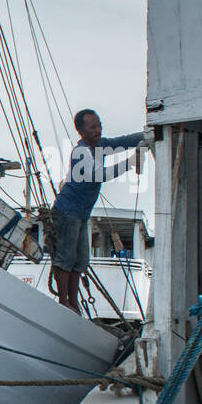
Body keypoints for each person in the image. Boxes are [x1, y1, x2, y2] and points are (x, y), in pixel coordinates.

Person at [51, 109, 146, 314]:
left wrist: (147, 134)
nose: (98, 129)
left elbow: (123, 141)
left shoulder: (101, 146)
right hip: (68, 211)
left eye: (99, 125)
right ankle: (64, 301)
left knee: (80, 260)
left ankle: (73, 303)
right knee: (66, 258)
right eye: (92, 126)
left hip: (82, 213)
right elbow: (97, 175)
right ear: (81, 131)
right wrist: (128, 163)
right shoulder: (81, 152)